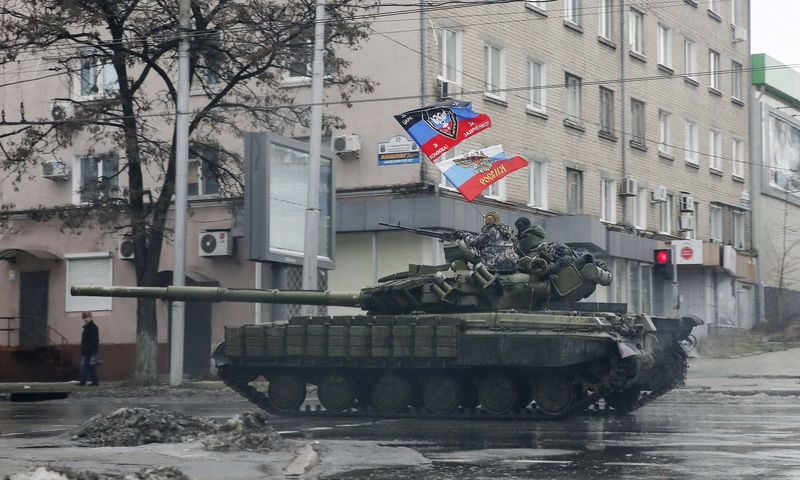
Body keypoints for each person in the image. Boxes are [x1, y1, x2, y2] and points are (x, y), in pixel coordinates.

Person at [79, 311, 99, 386]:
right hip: (85, 350)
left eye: (87, 317)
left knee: (85, 366)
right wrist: (82, 350)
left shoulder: (94, 327)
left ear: (90, 317)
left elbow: (96, 340)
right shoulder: (86, 327)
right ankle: (95, 382)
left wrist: (95, 351)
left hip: (90, 350)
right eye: (84, 317)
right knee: (91, 367)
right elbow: (84, 340)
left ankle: (82, 382)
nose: (86, 319)